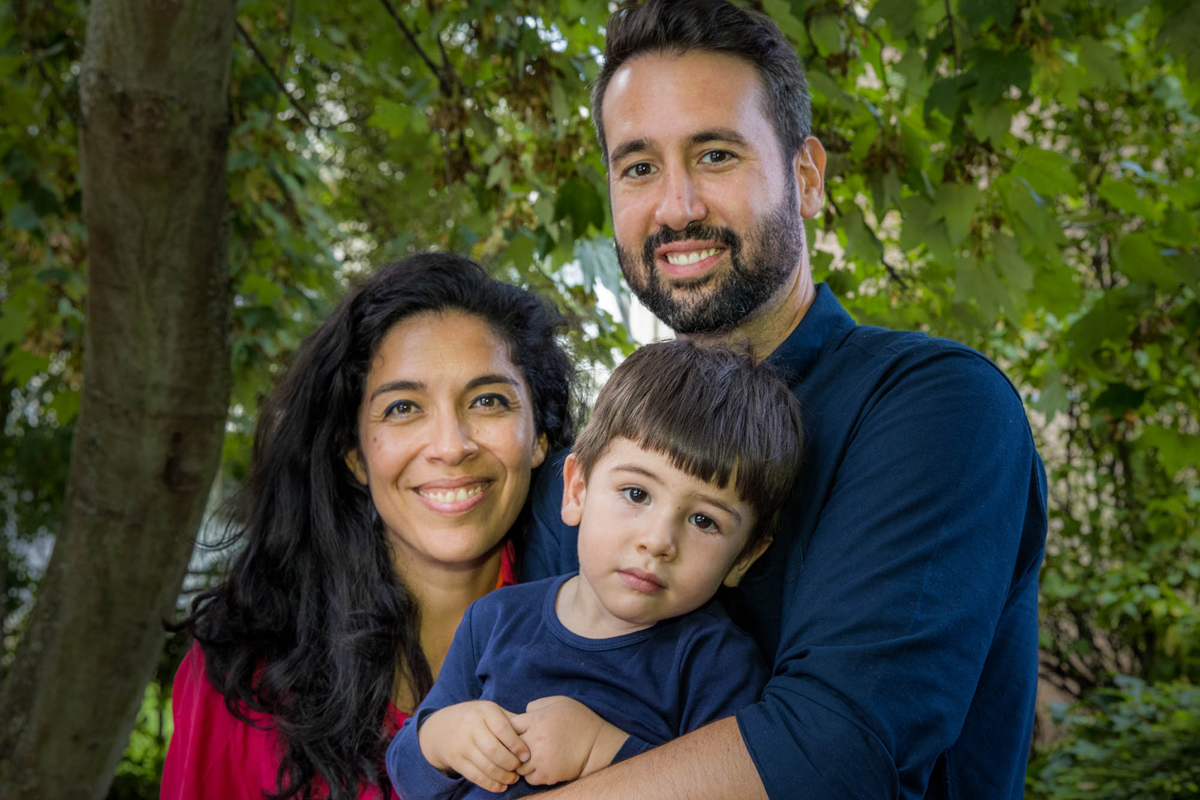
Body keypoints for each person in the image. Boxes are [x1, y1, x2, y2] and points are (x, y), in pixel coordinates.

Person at [521, 1, 1049, 799]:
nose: (676, 207)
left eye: (716, 154)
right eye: (638, 167)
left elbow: (841, 752)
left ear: (806, 178)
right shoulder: (600, 463)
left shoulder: (937, 408)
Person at [161, 253, 573, 800]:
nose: (451, 446)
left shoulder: (612, 631)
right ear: (354, 452)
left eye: (488, 400)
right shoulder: (243, 670)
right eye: (403, 408)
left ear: (539, 436)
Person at [387, 340, 802, 799]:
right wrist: (442, 739)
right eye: (636, 494)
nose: (658, 541)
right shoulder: (493, 620)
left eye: (703, 520)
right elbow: (405, 770)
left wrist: (603, 749)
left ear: (743, 558)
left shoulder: (714, 664)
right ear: (577, 489)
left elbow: (724, 790)